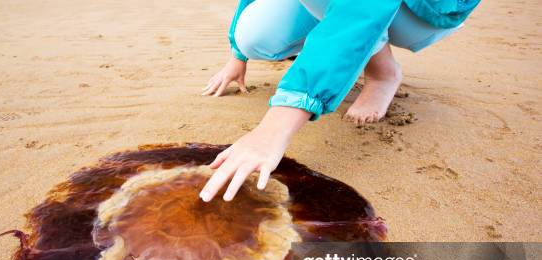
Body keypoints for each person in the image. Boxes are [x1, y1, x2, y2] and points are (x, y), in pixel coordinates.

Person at [199, 0, 480, 202]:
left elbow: (365, 6)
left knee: (363, 12)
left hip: (426, 12)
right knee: (252, 36)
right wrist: (237, 54)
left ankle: (382, 72)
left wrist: (274, 129)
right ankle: (338, 39)